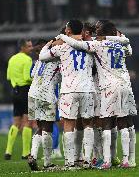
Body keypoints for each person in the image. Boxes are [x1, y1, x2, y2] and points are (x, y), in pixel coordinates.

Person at [56, 21, 133, 169]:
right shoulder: (118, 44)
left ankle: (104, 159)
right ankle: (123, 159)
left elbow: (79, 46)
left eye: (97, 29)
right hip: (121, 85)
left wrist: (61, 37)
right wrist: (117, 36)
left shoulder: (95, 45)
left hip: (103, 88)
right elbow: (128, 47)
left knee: (104, 124)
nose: (93, 32)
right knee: (121, 123)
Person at [39, 20, 96, 169]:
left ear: (68, 31)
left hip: (69, 90)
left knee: (68, 125)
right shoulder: (90, 45)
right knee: (88, 124)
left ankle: (70, 162)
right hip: (88, 89)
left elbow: (42, 57)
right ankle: (87, 160)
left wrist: (51, 43)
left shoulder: (62, 47)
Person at [27, 39, 61, 170]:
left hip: (33, 93)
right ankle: (47, 163)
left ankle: (33, 156)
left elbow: (32, 75)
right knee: (48, 128)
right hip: (46, 94)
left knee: (40, 127)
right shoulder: (60, 58)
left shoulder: (40, 59)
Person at [5, 39, 33, 160]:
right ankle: (25, 153)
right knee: (27, 122)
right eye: (29, 46)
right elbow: (27, 77)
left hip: (15, 91)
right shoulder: (27, 60)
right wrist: (36, 80)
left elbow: (8, 76)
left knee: (16, 122)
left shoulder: (12, 59)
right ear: (22, 47)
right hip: (25, 91)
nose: (31, 48)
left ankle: (8, 151)